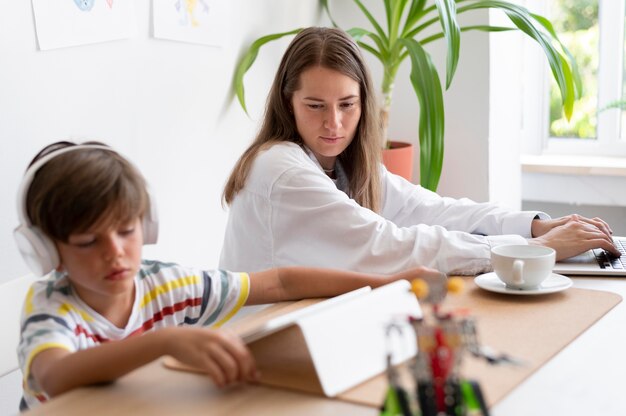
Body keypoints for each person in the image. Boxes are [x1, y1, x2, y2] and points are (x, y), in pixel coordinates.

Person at [14, 141, 439, 411]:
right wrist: (165, 340)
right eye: (89, 242)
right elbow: (56, 374)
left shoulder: (164, 284)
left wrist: (386, 282)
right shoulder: (51, 306)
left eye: (127, 231)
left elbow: (281, 283)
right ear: (46, 251)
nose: (115, 252)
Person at [220, 26, 619, 276]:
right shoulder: (281, 169)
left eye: (347, 104)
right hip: (259, 346)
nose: (334, 124)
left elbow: (433, 210)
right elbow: (389, 245)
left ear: (364, 103)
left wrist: (533, 226)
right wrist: (536, 250)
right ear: (287, 102)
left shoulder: (341, 164)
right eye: (315, 106)